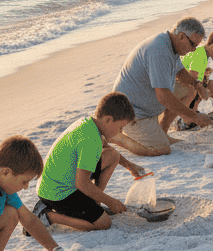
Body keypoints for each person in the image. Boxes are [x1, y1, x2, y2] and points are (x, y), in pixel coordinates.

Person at [33, 91, 143, 232]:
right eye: (120, 127)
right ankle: (47, 215)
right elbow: (82, 183)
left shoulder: (88, 124)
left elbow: (106, 148)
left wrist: (130, 166)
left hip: (52, 182)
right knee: (104, 223)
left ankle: (93, 204)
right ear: (108, 120)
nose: (120, 132)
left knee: (112, 155)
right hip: (57, 193)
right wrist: (110, 202)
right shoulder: (91, 140)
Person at [112, 16, 213, 156]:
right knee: (162, 149)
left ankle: (162, 131)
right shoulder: (159, 50)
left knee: (189, 90)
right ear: (182, 36)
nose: (194, 50)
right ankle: (116, 137)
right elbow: (163, 97)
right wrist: (194, 116)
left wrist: (197, 85)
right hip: (132, 112)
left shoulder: (170, 44)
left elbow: (179, 71)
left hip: (146, 103)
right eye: (193, 45)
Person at [181, 29, 213, 108]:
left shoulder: (202, 51)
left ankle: (192, 109)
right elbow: (192, 76)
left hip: (182, 83)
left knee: (211, 85)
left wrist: (204, 74)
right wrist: (204, 91)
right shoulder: (201, 56)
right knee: (208, 86)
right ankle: (192, 111)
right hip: (179, 85)